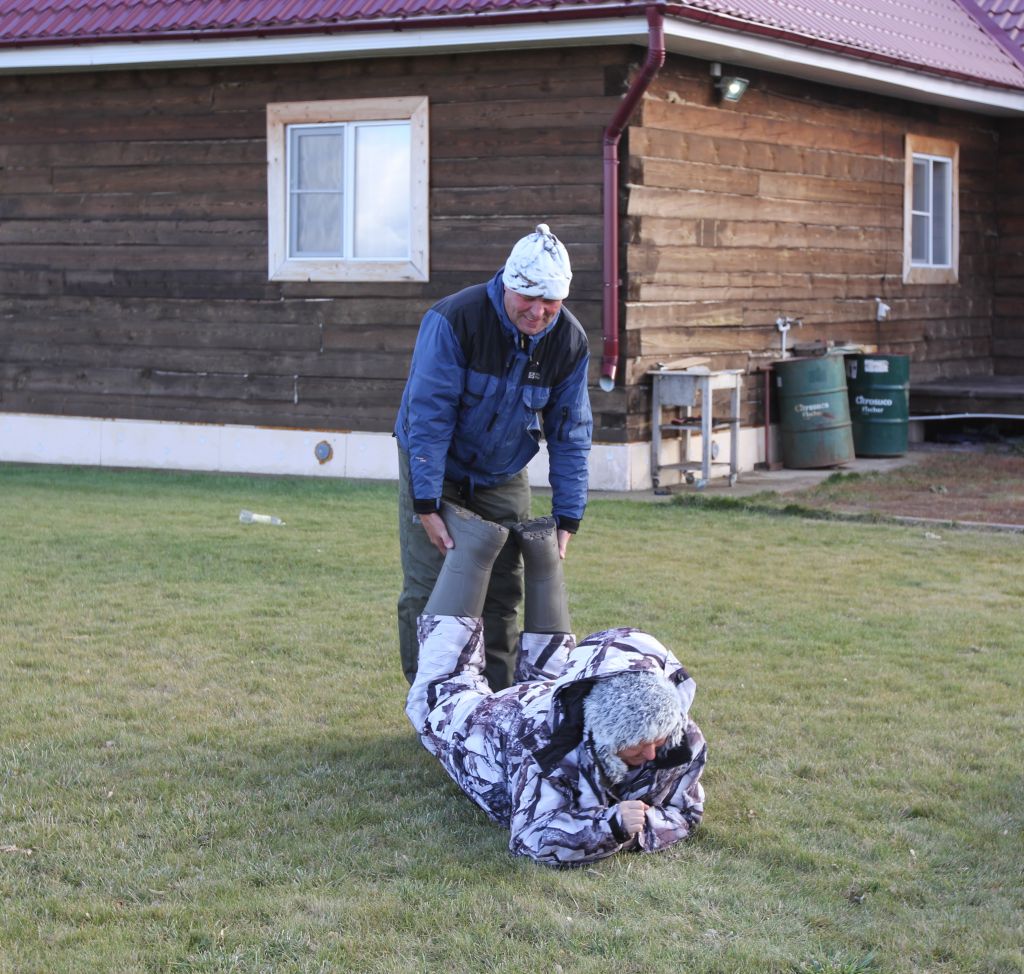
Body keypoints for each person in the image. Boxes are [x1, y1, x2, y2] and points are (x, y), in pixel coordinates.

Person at [406, 503, 707, 867]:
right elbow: (533, 837)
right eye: (636, 747)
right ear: (602, 735)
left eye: (657, 740)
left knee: (553, 673)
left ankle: (543, 549)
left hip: (551, 697)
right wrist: (610, 828)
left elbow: (687, 812)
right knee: (438, 695)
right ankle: (470, 548)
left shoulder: (680, 738)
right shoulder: (546, 749)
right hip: (498, 726)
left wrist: (639, 826)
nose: (651, 755)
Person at [394, 224, 592, 692]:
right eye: (528, 297)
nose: (538, 312)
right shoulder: (455, 320)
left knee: (502, 591)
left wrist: (568, 515)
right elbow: (429, 415)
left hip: (503, 469)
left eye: (551, 301)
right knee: (431, 588)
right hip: (437, 464)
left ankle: (500, 704)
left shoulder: (569, 341)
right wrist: (426, 503)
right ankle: (431, 704)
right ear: (507, 284)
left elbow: (570, 431)